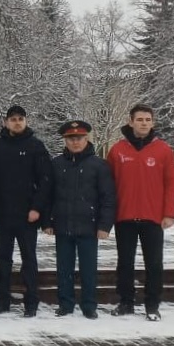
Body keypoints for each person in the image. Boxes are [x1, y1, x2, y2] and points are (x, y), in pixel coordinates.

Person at [106, 104, 174, 322]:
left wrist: (169, 213)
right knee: (125, 262)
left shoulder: (164, 150)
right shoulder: (117, 150)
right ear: (131, 122)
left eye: (148, 119)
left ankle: (152, 304)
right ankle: (126, 302)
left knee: (154, 264)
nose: (144, 123)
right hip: (125, 216)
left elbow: (172, 183)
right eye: (139, 119)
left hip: (153, 217)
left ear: (153, 123)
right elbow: (108, 185)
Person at [45, 120, 115, 319]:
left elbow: (108, 197)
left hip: (89, 226)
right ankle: (65, 304)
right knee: (63, 268)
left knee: (88, 269)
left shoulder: (99, 165)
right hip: (63, 224)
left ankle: (89, 305)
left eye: (79, 138)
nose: (75, 142)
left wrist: (104, 225)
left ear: (86, 139)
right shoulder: (56, 164)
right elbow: (48, 195)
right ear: (65, 141)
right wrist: (47, 222)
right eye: (71, 139)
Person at [0, 105, 51, 317]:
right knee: (2, 259)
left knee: (29, 260)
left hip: (27, 215)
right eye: (12, 119)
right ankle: (2, 301)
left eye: (20, 119)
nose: (16, 122)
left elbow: (45, 181)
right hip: (3, 213)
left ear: (26, 121)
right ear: (6, 122)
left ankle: (31, 301)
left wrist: (37, 208)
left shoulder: (36, 146)